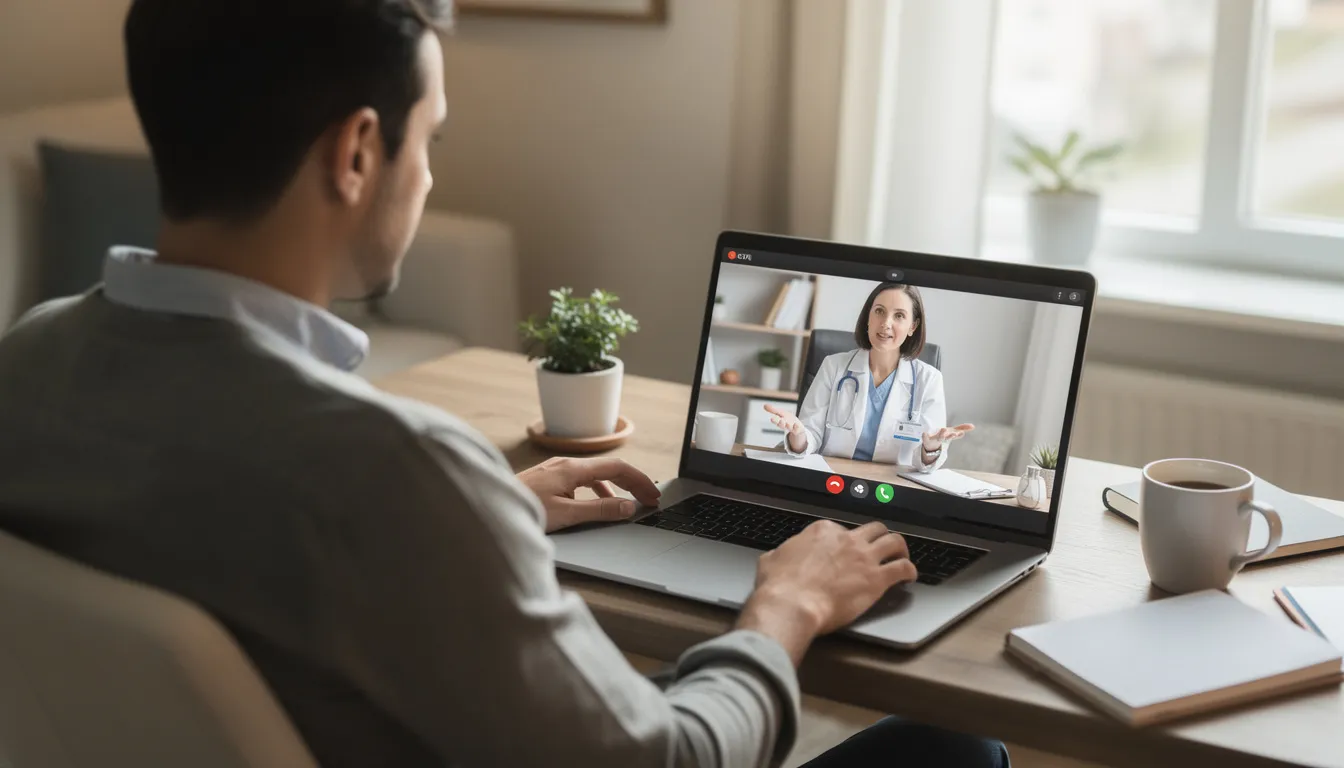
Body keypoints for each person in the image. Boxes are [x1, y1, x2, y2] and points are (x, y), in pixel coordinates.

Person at [0, 2, 1007, 766]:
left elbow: (220, 522)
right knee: (954, 749)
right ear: (357, 151)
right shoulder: (388, 473)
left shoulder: (27, 363)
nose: (429, 173)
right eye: (430, 137)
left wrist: (488, 513)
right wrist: (785, 605)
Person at [765, 283, 975, 471]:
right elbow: (810, 438)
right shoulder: (833, 366)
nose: (886, 323)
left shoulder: (929, 380)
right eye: (879, 311)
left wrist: (930, 448)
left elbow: (923, 463)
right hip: (832, 477)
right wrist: (799, 434)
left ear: (913, 326)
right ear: (868, 318)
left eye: (899, 315)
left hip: (890, 488)